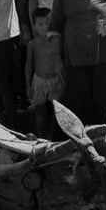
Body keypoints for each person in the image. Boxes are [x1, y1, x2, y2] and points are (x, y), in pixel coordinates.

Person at [25, 8, 62, 138]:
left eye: (47, 23)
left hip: (54, 79)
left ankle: (55, 135)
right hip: (38, 81)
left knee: (56, 110)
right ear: (34, 26)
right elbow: (29, 65)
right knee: (40, 110)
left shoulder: (56, 40)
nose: (44, 27)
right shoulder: (32, 44)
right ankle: (40, 135)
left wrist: (61, 79)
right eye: (40, 24)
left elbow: (59, 61)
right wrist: (28, 85)